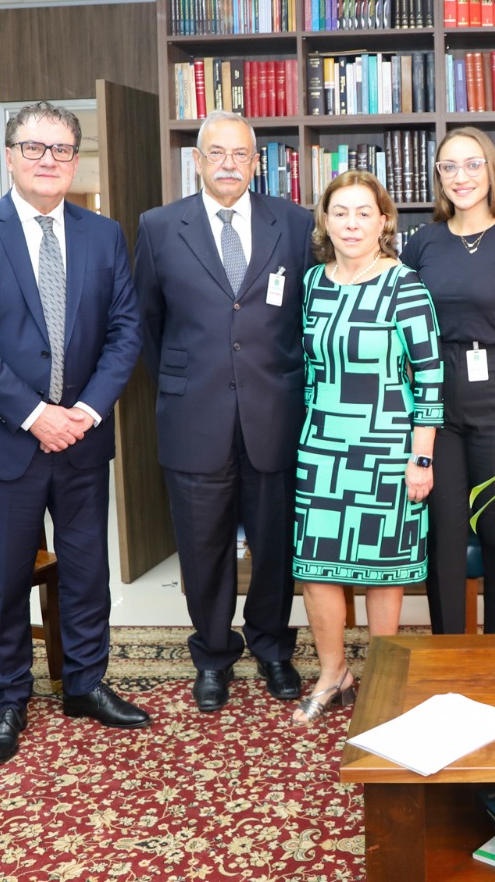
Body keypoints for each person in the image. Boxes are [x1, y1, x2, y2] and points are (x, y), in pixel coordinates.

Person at [0, 101, 148, 767]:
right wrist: (35, 414)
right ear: (10, 155)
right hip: (4, 441)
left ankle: (85, 683)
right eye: (35, 148)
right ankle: (7, 699)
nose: (49, 160)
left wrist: (83, 412)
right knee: (2, 579)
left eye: (61, 149)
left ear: (76, 161)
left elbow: (125, 330)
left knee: (87, 572)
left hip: (81, 439)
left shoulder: (102, 233)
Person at [133, 110, 315, 713]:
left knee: (274, 546)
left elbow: (306, 318)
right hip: (194, 416)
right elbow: (147, 324)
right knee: (202, 548)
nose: (230, 164)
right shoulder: (159, 227)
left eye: (241, 154)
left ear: (257, 162)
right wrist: (185, 384)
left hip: (275, 413)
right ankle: (212, 654)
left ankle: (271, 648)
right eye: (218, 154)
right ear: (198, 160)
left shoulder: (294, 223)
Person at [291, 171, 443, 723]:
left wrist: (421, 456)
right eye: (341, 212)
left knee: (386, 572)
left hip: (388, 447)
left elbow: (429, 376)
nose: (352, 223)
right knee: (316, 568)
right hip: (322, 446)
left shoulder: (406, 285)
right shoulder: (311, 284)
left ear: (384, 222)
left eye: (364, 212)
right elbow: (302, 369)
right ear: (325, 221)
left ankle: (382, 678)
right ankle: (334, 673)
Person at [402, 127, 495, 634]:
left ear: (491, 170)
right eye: (448, 166)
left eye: (471, 164)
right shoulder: (422, 243)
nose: (460, 176)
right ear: (438, 176)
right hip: (436, 395)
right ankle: (447, 653)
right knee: (442, 534)